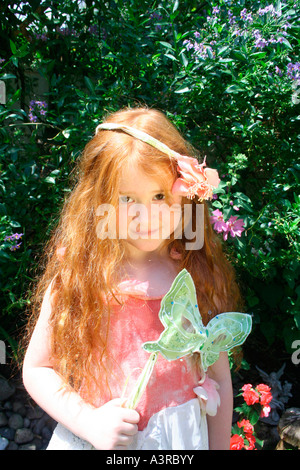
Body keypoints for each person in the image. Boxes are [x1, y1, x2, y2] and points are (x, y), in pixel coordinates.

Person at [22, 107, 243, 450]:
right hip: (105, 438)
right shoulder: (83, 273)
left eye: (159, 196)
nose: (147, 214)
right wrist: (89, 423)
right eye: (127, 199)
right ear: (98, 202)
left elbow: (217, 377)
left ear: (185, 193)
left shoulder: (194, 276)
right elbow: (37, 369)